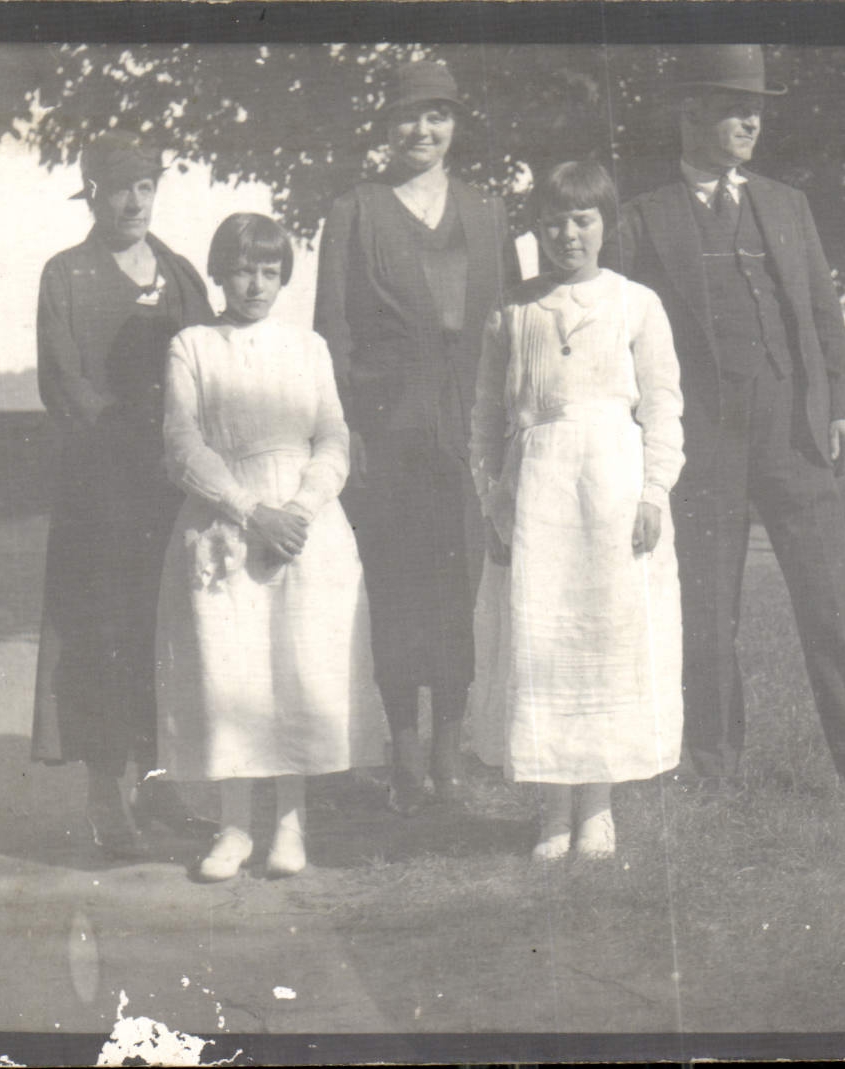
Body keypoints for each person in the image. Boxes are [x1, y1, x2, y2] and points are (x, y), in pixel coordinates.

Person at [612, 46, 845, 799]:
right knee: (705, 608)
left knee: (828, 602)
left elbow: (823, 314)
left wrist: (843, 408)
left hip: (792, 430)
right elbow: (616, 330)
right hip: (700, 439)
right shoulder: (642, 215)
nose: (751, 122)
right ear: (690, 112)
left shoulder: (786, 204)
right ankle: (712, 770)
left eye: (757, 110)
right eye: (735, 108)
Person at [154, 213, 383, 881]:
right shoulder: (193, 346)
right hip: (226, 521)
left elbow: (332, 437)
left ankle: (290, 822)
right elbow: (183, 444)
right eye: (241, 270)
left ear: (283, 277)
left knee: (297, 666)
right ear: (219, 273)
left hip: (304, 525)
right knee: (233, 671)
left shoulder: (307, 348)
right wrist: (250, 513)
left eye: (268, 271)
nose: (254, 285)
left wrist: (301, 510)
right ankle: (233, 827)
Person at [469, 161, 685, 860]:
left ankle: (597, 806)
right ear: (537, 229)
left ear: (605, 225)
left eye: (583, 220)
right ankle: (552, 809)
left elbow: (662, 408)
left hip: (613, 486)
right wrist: (492, 501)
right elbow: (485, 419)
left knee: (604, 638)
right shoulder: (513, 311)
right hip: (536, 491)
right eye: (554, 222)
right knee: (545, 643)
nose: (568, 234)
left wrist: (653, 493)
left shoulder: (635, 303)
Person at [315, 60, 515, 814]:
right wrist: (347, 428)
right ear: (386, 127)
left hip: (469, 431)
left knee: (460, 585)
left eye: (437, 115)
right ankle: (403, 752)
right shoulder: (356, 211)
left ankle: (448, 754)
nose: (421, 130)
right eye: (407, 116)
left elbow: (510, 329)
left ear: (455, 125)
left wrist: (507, 434)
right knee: (397, 586)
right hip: (387, 431)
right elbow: (331, 332)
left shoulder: (488, 213)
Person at [32, 129, 216, 858]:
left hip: (169, 489)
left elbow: (210, 369)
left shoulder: (179, 273)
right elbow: (63, 380)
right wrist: (133, 442)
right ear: (93, 193)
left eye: (146, 186)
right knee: (102, 634)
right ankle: (107, 793)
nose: (134, 202)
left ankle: (160, 785)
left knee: (165, 633)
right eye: (119, 188)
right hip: (101, 488)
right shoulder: (66, 274)